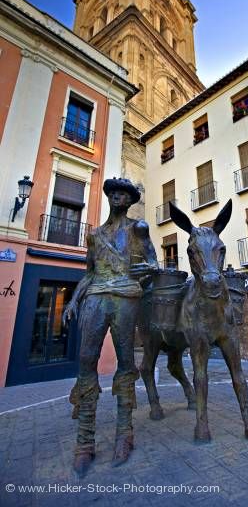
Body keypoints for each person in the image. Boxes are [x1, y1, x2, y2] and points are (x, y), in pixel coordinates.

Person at [62, 177, 158, 476]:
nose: (117, 197)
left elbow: (154, 262)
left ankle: (124, 434)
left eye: (123, 194)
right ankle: (84, 442)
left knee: (126, 362)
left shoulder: (137, 229)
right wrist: (72, 300)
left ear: (130, 201)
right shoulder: (94, 235)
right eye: (113, 193)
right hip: (96, 296)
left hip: (126, 296)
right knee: (86, 360)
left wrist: (149, 269)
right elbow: (89, 273)